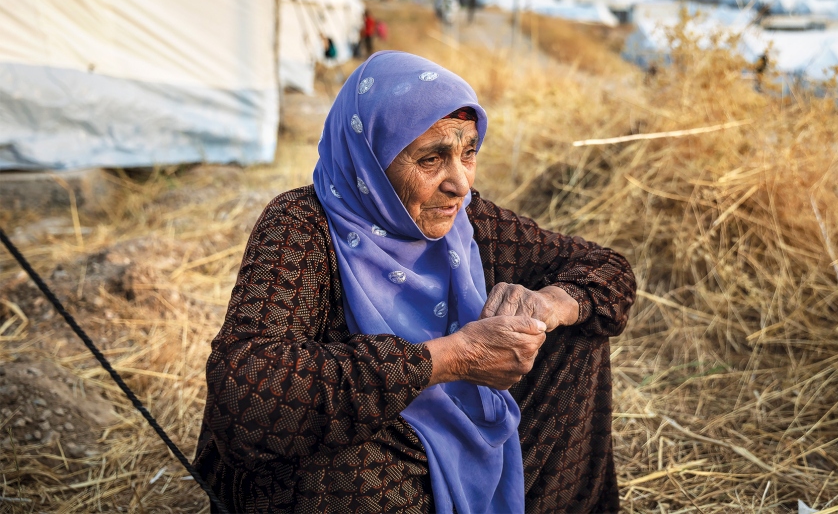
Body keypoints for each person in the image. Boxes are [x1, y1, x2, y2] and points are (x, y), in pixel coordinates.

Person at [194, 51, 635, 513]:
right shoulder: (302, 226)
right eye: (432, 158)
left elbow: (607, 268)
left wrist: (550, 304)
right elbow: (244, 395)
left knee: (578, 332)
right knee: (349, 478)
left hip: (444, 432)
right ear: (369, 161)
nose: (460, 183)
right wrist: (448, 359)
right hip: (369, 458)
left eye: (469, 153)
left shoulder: (467, 221)